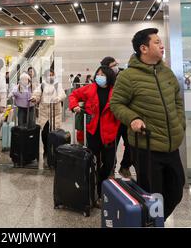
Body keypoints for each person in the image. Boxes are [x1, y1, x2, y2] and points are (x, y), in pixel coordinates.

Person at [110, 28, 186, 220]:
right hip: (147, 147)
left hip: (172, 146)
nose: (162, 45)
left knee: (176, 191)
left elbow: (177, 100)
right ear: (143, 48)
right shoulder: (128, 76)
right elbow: (116, 104)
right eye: (157, 42)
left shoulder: (166, 73)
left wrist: (180, 124)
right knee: (151, 196)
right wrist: (133, 118)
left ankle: (155, 222)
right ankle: (151, 224)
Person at [69, 66, 120, 207]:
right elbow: (73, 95)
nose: (99, 76)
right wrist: (74, 106)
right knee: (94, 162)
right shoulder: (90, 88)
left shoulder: (116, 91)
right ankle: (97, 193)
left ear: (109, 76)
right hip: (93, 133)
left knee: (109, 163)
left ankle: (102, 183)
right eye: (98, 74)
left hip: (109, 134)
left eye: (102, 74)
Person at [101, 56, 133, 178]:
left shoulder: (124, 75)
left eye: (115, 64)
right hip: (112, 118)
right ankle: (111, 169)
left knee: (131, 144)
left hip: (125, 116)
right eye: (112, 66)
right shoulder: (105, 79)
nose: (115, 67)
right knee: (111, 147)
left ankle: (125, 166)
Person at [30, 69, 66, 157]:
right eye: (48, 75)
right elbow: (37, 94)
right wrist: (34, 98)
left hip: (55, 113)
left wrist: (58, 98)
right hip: (44, 113)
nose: (50, 77)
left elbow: (63, 94)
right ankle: (46, 149)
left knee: (55, 132)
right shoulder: (42, 85)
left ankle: (54, 150)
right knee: (45, 132)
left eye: (51, 75)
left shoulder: (58, 85)